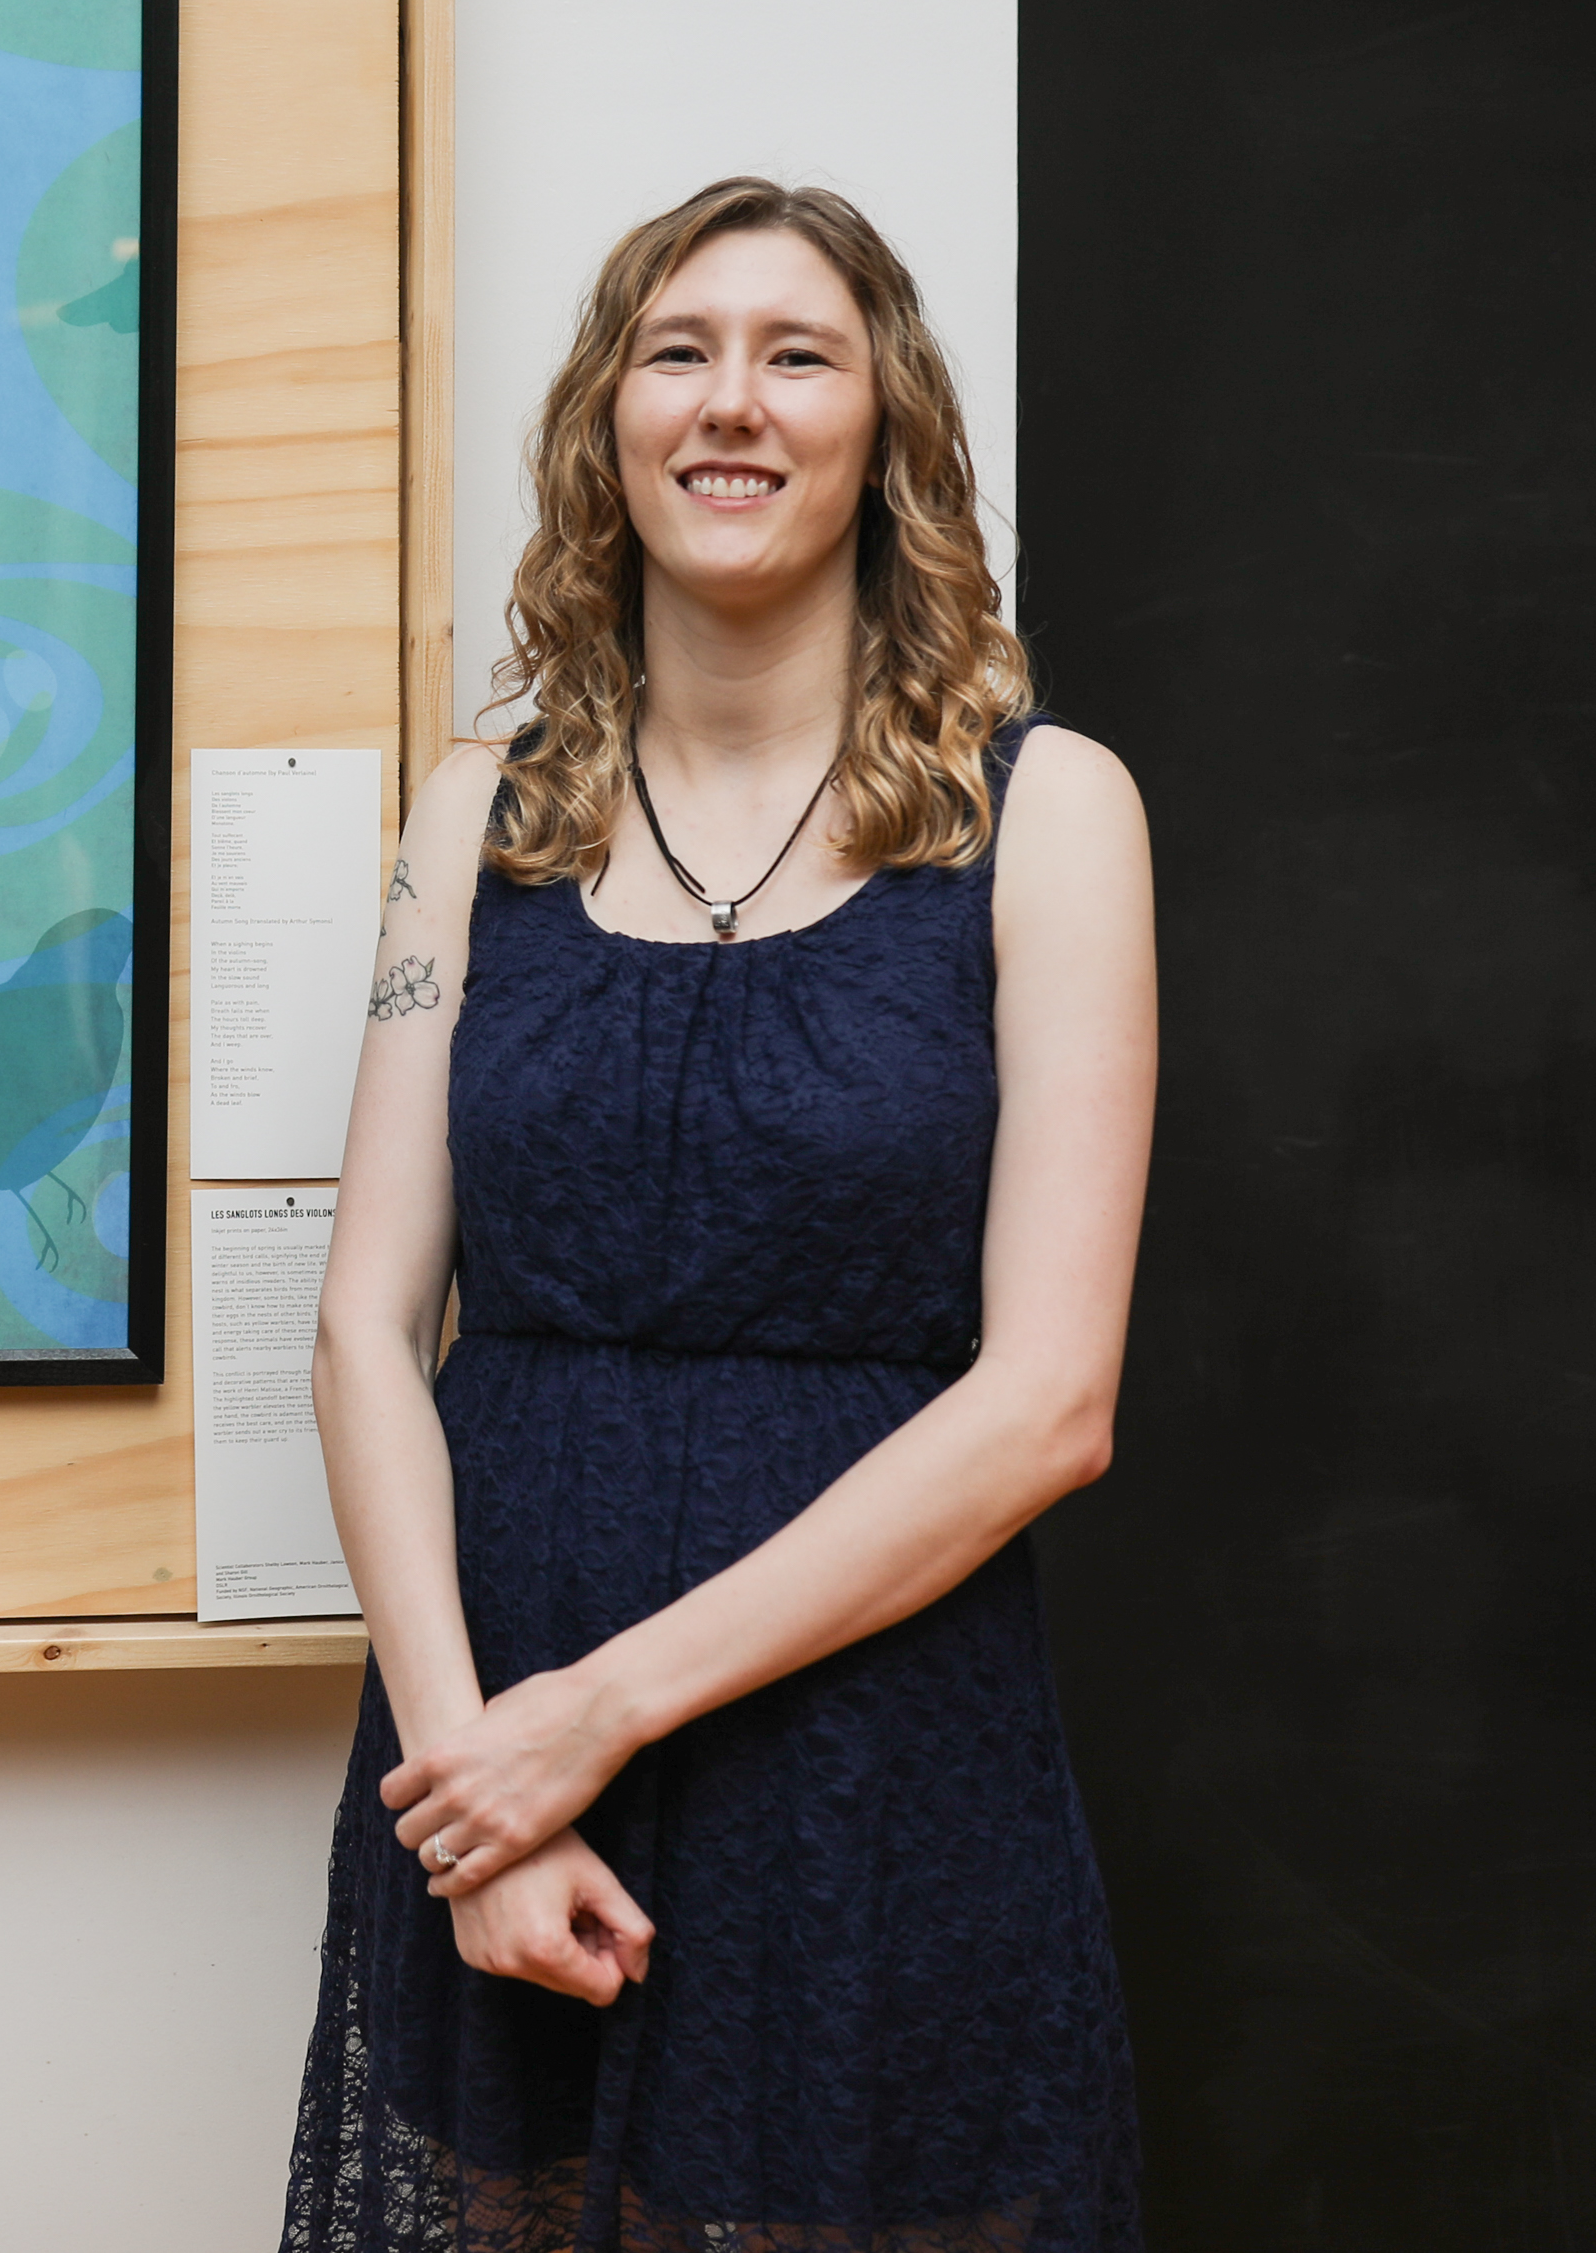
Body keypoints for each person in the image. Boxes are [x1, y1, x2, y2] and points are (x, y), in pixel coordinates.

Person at [282, 179, 1153, 2252]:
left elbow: (1049, 1402)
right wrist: (473, 1791)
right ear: (609, 421)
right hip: (489, 1740)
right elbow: (363, 1330)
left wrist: (588, 1719)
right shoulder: (475, 817)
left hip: (865, 1754)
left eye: (796, 355)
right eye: (677, 351)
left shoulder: (1048, 813)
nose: (730, 402)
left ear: (886, 431)